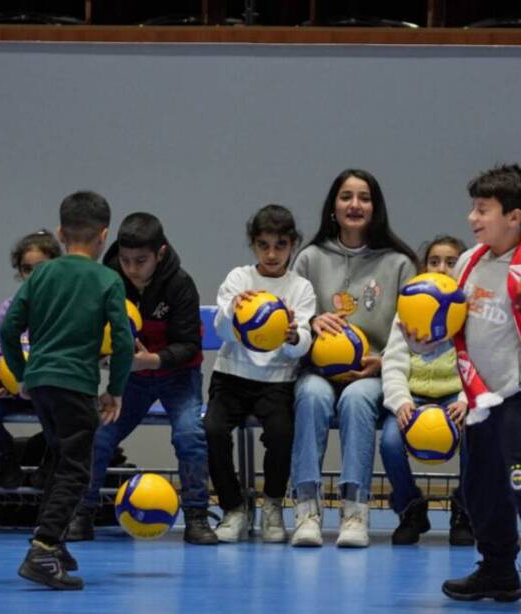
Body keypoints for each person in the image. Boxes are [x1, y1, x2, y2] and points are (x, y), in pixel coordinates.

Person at [439, 165, 521, 614]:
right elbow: (455, 326)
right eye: (473, 209)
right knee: (480, 490)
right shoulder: (468, 262)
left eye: (483, 210)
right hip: (480, 401)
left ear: (514, 217)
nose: (472, 218)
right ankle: (498, 571)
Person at [1, 190, 134, 590]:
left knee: (61, 462)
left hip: (40, 382)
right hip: (75, 383)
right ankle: (42, 549)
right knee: (77, 469)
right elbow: (124, 342)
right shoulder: (107, 279)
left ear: (60, 233)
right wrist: (116, 389)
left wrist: (23, 373)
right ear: (104, 235)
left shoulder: (41, 274)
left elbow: (9, 328)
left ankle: (54, 543)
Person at [65, 212, 217, 545]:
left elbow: (190, 344)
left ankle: (197, 516)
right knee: (100, 435)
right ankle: (82, 513)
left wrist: (153, 359)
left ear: (160, 254)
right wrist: (104, 356)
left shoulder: (180, 285)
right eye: (126, 259)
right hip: (130, 381)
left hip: (178, 376)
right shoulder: (108, 280)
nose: (132, 268)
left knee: (190, 434)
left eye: (141, 261)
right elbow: (90, 329)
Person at [290, 168, 418, 548]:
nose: (355, 205)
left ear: (375, 208)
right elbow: (291, 316)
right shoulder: (309, 258)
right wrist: (312, 321)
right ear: (334, 206)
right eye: (346, 196)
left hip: (373, 371)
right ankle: (306, 510)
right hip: (317, 370)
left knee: (358, 400)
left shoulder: (399, 263)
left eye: (364, 197)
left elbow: (415, 331)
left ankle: (354, 511)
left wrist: (384, 362)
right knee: (311, 396)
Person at [206, 205, 316, 543]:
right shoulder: (239, 279)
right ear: (253, 245)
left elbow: (304, 341)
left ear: (293, 245)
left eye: (280, 245)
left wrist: (294, 337)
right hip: (231, 376)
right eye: (263, 245)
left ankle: (271, 504)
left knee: (282, 435)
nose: (271, 253)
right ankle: (233, 508)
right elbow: (221, 330)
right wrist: (234, 310)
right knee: (212, 430)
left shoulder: (300, 288)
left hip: (277, 381)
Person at [379, 235, 474, 546]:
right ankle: (410, 509)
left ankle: (465, 510)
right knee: (392, 440)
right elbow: (392, 363)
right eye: (435, 262)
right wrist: (401, 402)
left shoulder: (470, 312)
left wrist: (466, 400)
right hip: (415, 396)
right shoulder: (407, 308)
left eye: (451, 262)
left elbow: (480, 362)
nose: (442, 268)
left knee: (477, 436)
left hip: (456, 398)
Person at [0, 229, 61, 489]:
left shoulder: (64, 307)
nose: (33, 276)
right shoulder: (10, 308)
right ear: (20, 272)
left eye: (41, 268)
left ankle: (51, 462)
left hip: (49, 393)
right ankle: (7, 460)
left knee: (73, 416)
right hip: (12, 391)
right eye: (26, 269)